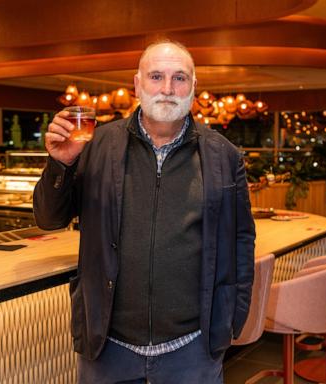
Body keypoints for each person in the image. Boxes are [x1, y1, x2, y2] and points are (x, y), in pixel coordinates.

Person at [33, 40, 255, 384]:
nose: (168, 89)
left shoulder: (224, 156)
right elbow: (49, 218)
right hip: (108, 345)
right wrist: (61, 164)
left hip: (192, 348)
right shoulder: (96, 145)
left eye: (179, 78)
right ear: (137, 85)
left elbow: (242, 241)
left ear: (194, 88)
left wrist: (233, 318)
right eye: (156, 76)